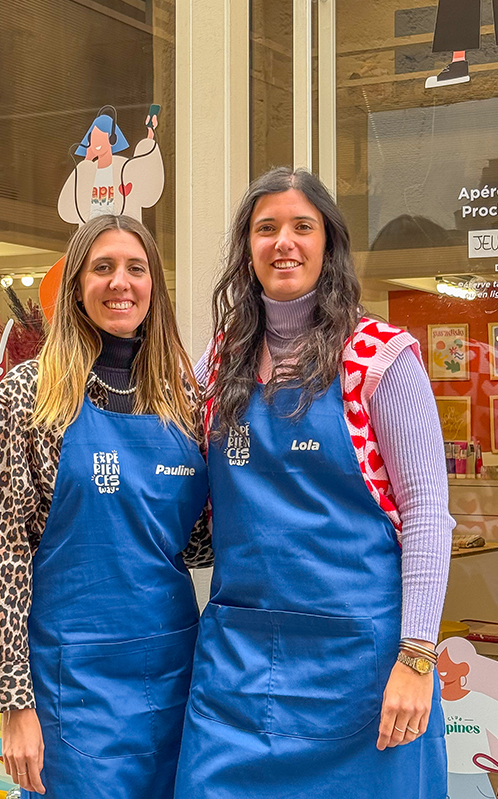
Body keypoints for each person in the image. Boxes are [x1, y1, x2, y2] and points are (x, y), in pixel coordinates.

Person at [176, 167, 452, 798]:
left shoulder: (380, 359)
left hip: (363, 675)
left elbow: (428, 518)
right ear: (247, 248)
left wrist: (417, 657)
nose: (284, 243)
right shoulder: (219, 365)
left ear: (329, 243)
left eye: (303, 226)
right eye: (265, 228)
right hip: (238, 676)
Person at [0, 214, 211, 798]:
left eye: (136, 268)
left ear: (155, 287)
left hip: (176, 672)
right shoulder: (29, 397)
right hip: (70, 686)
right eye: (102, 268)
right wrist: (14, 705)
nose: (120, 282)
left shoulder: (183, 398)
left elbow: (196, 541)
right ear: (76, 285)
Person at [57, 106, 164, 224]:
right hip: (93, 238)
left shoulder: (124, 168)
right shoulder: (87, 172)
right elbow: (68, 210)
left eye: (99, 137)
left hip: (122, 236)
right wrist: (87, 161)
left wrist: (150, 133)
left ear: (112, 139)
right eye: (93, 138)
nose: (95, 142)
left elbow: (148, 185)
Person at [437, 636, 498, 798]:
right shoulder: (429, 702)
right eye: (439, 660)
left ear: (464, 668)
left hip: (474, 777)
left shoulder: (481, 701)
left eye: (447, 661)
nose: (442, 666)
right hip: (436, 775)